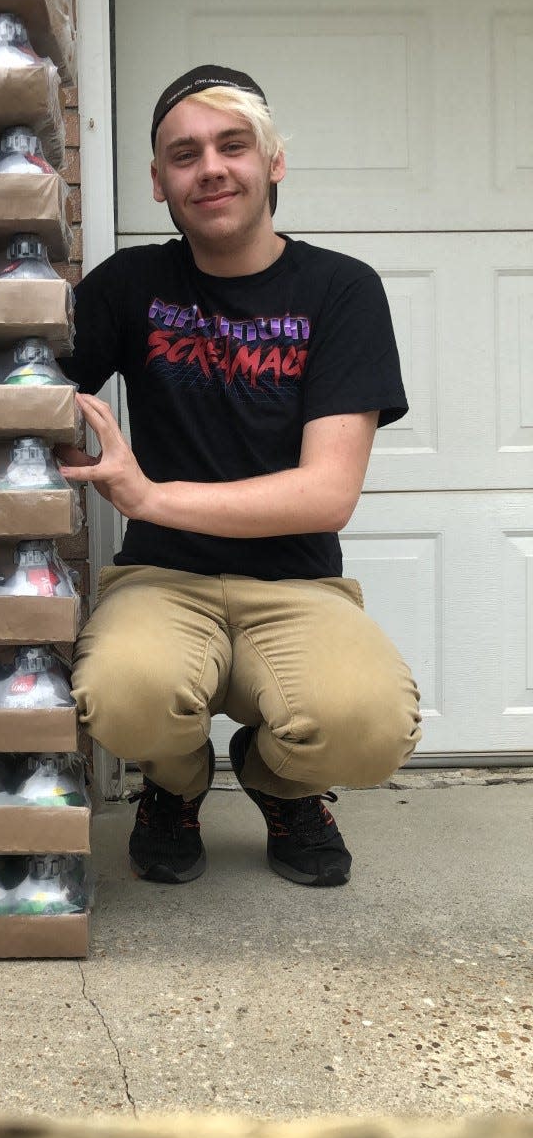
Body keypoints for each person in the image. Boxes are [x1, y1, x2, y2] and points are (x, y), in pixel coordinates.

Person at [57, 65, 422, 888]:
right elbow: (32, 388)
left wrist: (149, 496)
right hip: (163, 577)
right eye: (183, 155)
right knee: (122, 692)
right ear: (158, 183)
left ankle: (279, 781)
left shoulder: (341, 291)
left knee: (368, 725)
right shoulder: (132, 287)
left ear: (274, 162)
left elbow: (327, 492)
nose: (210, 168)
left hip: (297, 584)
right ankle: (174, 788)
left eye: (233, 145)